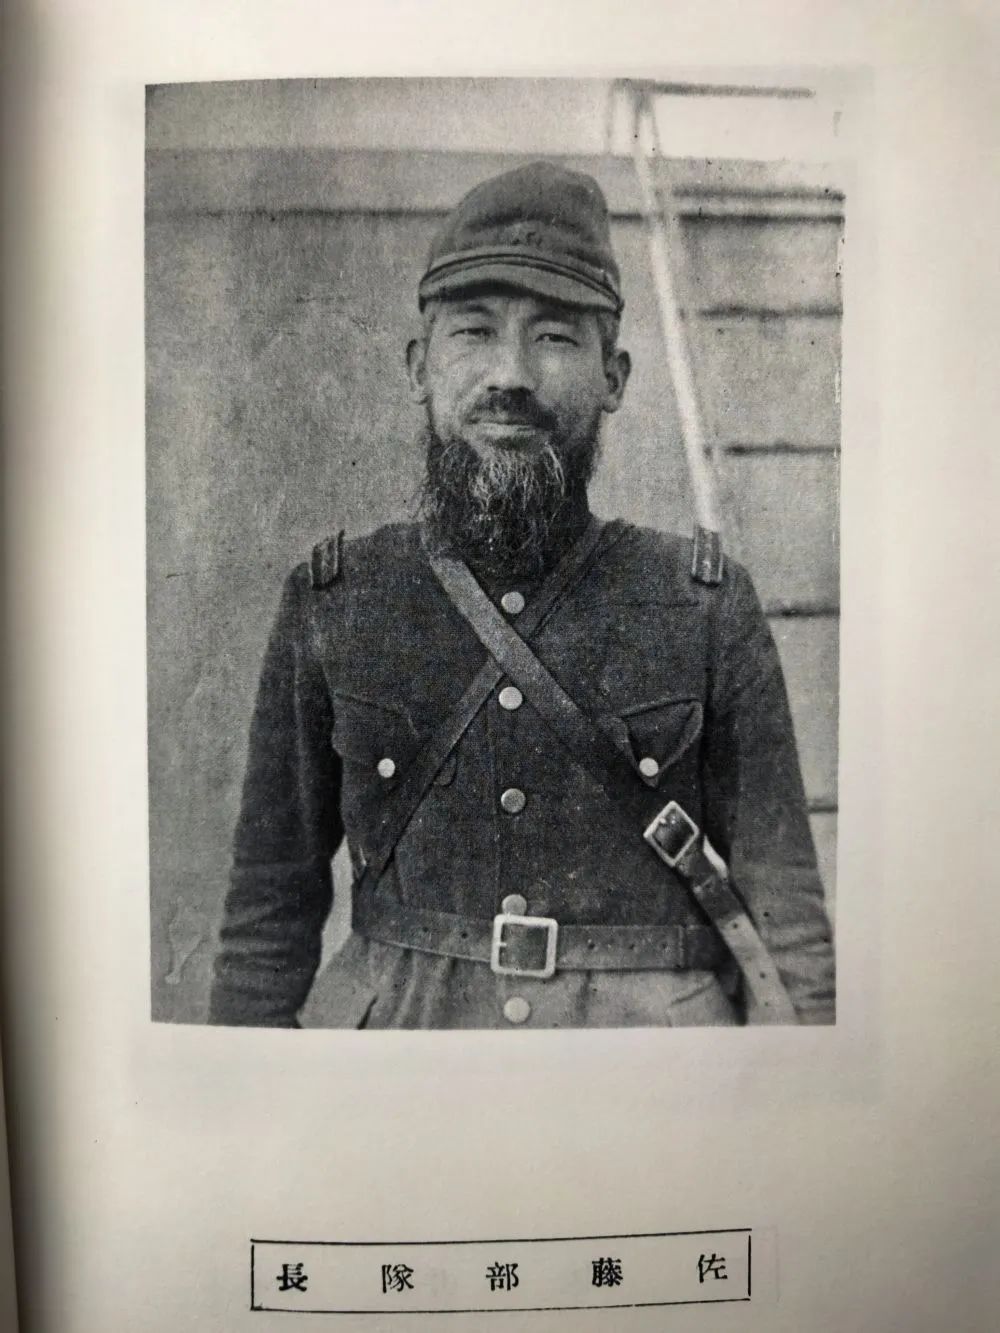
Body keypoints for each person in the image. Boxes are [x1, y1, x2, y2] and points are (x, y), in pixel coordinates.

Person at [209, 161, 835, 1029]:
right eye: (474, 333)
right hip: (405, 1063)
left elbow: (786, 919)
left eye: (555, 338)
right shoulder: (337, 600)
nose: (511, 374)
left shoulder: (705, 605)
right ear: (420, 367)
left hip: (646, 1072)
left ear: (614, 378)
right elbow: (266, 919)